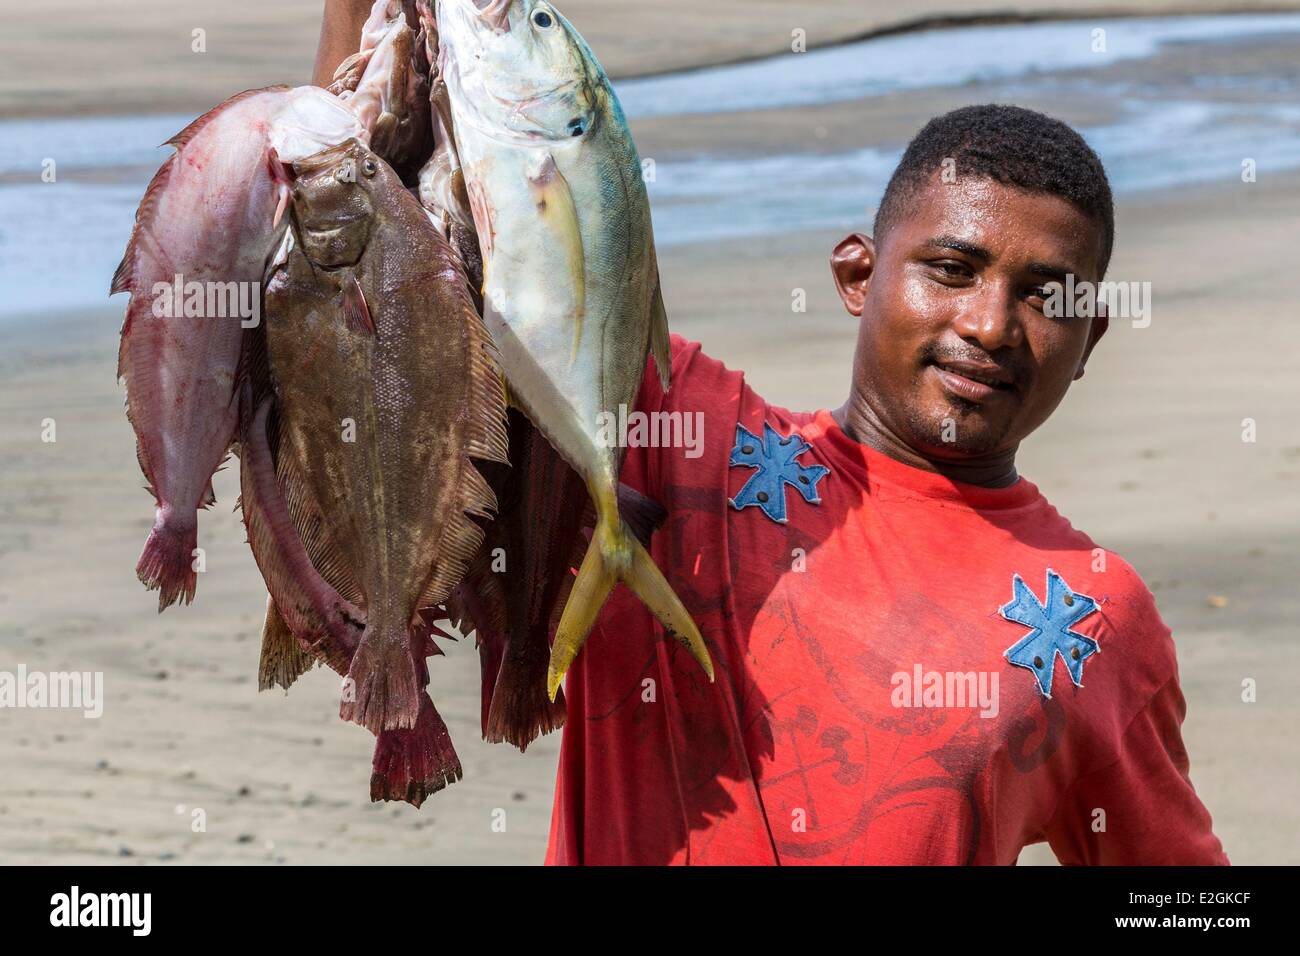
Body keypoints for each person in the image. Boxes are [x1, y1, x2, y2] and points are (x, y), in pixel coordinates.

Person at [315, 4, 1227, 866]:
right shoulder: (676, 438)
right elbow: (365, 231)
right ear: (857, 277)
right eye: (952, 269)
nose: (990, 324)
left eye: (1043, 296)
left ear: (1090, 337)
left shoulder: (1092, 615)